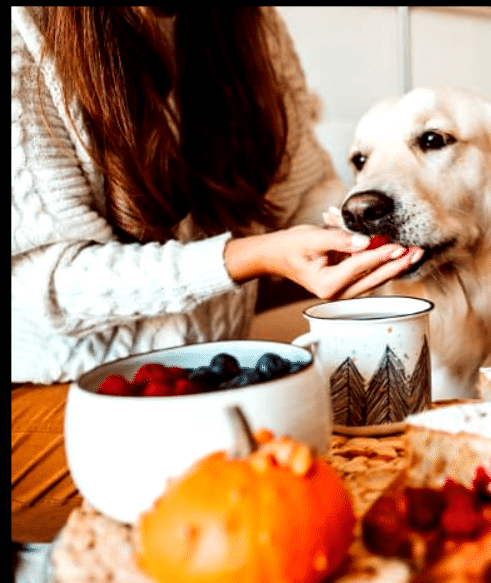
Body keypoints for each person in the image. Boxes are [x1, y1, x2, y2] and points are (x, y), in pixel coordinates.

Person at [11, 5, 422, 549]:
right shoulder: (26, 31)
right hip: (49, 396)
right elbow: (49, 285)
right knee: (273, 481)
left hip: (207, 382)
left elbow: (305, 193)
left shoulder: (250, 24)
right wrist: (240, 259)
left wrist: (381, 218)